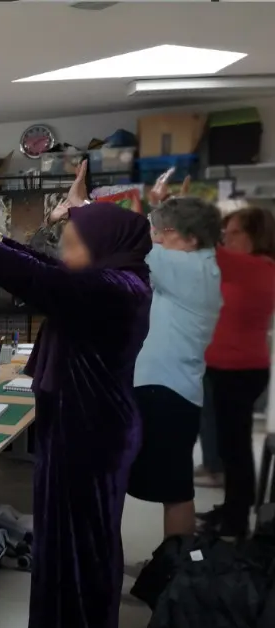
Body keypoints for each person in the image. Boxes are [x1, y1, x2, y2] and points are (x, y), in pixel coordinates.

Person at [0, 189, 152, 628]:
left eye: (73, 242)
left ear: (103, 245)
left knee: (84, 544)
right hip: (76, 424)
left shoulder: (117, 289)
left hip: (93, 434)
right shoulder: (109, 278)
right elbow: (50, 269)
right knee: (61, 538)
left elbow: (40, 279)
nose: (64, 251)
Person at [126, 188, 223, 541]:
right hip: (174, 388)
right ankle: (176, 564)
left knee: (176, 491)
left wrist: (82, 207)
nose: (159, 238)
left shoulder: (186, 268)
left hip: (165, 391)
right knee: (175, 488)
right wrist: (160, 208)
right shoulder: (202, 265)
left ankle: (177, 567)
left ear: (191, 238)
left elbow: (134, 241)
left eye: (166, 232)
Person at [201, 207, 275, 539]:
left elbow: (203, 244)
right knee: (232, 447)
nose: (227, 239)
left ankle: (236, 521)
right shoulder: (249, 267)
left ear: (256, 235)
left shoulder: (255, 266)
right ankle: (233, 509)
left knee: (235, 450)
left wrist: (174, 205)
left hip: (238, 371)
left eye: (234, 233)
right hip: (232, 368)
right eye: (225, 233)